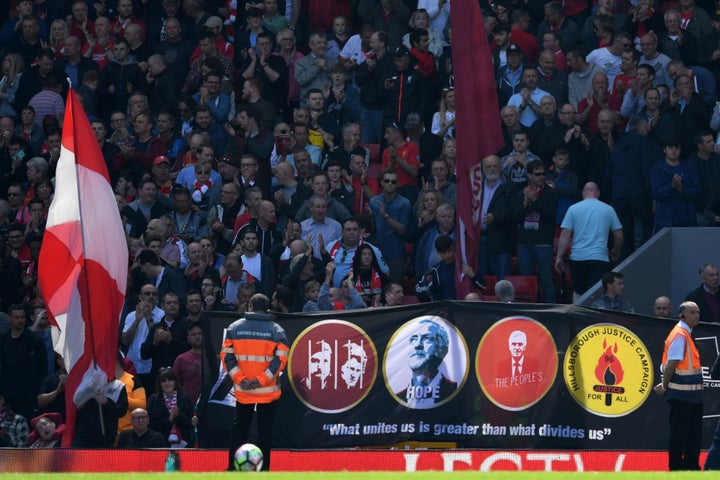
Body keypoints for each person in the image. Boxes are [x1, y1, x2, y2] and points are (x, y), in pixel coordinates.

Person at [222, 294, 289, 471]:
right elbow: (280, 360)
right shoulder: (277, 330)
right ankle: (263, 470)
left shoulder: (234, 328)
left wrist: (241, 380)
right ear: (267, 308)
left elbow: (227, 357)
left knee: (239, 431)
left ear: (250, 306)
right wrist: (260, 381)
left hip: (244, 391)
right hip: (268, 391)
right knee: (265, 433)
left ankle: (232, 469)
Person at [653, 301, 703, 471]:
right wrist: (664, 385)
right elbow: (671, 364)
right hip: (681, 395)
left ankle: (691, 467)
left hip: (692, 396)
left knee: (692, 436)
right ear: (682, 315)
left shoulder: (685, 334)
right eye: (692, 312)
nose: (697, 315)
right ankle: (676, 469)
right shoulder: (681, 335)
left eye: (697, 312)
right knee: (680, 435)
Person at [555, 182, 623, 300]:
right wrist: (616, 250)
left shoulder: (573, 209)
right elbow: (619, 236)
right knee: (598, 294)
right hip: (600, 257)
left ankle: (576, 317)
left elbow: (565, 235)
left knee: (578, 292)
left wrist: (559, 257)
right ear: (598, 194)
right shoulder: (608, 209)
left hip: (578, 257)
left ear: (583, 193)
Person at [395, 318, 456, 408]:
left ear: (441, 349)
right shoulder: (396, 399)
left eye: (427, 338)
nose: (418, 345)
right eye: (413, 339)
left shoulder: (455, 392)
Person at [147, 367, 195, 448]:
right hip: (161, 442)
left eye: (170, 380)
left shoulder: (185, 397)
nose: (167, 383)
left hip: (184, 442)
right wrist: (169, 420)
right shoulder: (153, 399)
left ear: (175, 382)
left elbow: (191, 422)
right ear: (159, 384)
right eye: (163, 381)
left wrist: (178, 414)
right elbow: (150, 424)